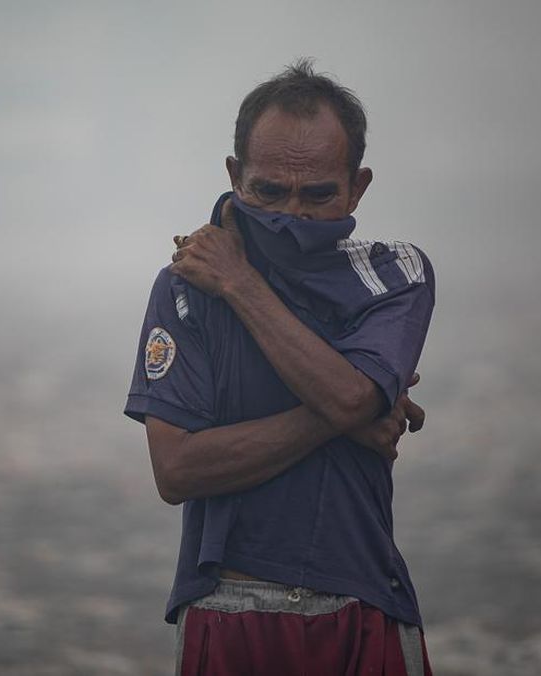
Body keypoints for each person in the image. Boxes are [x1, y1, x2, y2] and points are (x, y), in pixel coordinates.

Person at [124, 59, 437, 675]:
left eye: (318, 195)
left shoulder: (395, 275)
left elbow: (349, 401)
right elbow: (178, 469)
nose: (291, 216)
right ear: (236, 176)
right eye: (268, 191)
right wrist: (359, 407)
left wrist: (241, 283)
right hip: (228, 604)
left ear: (358, 186)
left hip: (363, 599)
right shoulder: (187, 287)